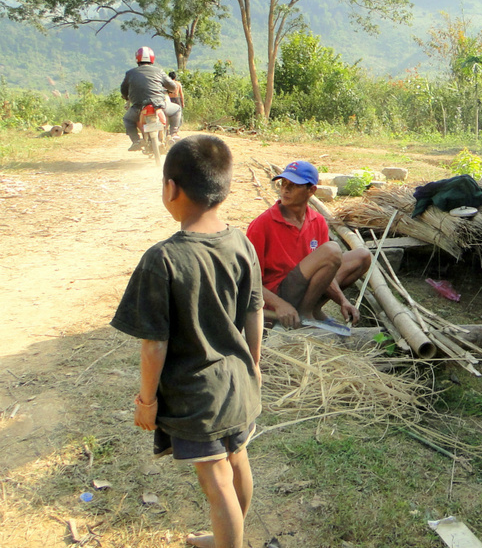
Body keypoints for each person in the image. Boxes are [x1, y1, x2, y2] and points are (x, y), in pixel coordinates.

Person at [111, 135, 264, 548]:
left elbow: (153, 345)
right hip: (238, 384)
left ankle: (227, 542)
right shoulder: (241, 243)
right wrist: (255, 365)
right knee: (237, 460)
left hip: (198, 397)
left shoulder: (162, 259)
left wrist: (147, 402)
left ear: (171, 188)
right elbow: (254, 310)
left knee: (216, 480)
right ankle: (226, 536)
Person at [246, 160, 372, 329]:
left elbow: (326, 270)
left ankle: (312, 309)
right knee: (332, 250)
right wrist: (278, 304)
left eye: (294, 185)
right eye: (283, 183)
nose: (285, 189)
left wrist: (342, 300)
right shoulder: (262, 225)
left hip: (305, 289)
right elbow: (249, 280)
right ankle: (305, 316)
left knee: (362, 256)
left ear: (311, 190)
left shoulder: (317, 220)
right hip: (278, 294)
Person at [121, 46, 183, 151]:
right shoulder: (159, 71)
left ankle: (136, 141)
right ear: (152, 58)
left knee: (127, 119)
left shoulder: (130, 73)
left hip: (138, 107)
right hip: (159, 105)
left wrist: (126, 96)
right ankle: (173, 134)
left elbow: (123, 90)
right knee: (177, 109)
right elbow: (172, 86)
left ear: (137, 59)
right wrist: (170, 89)